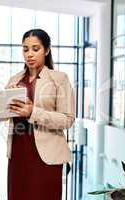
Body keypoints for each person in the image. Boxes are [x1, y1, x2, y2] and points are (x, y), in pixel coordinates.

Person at [5, 29, 75, 200]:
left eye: (35, 49)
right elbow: (5, 116)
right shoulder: (14, 79)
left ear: (47, 50)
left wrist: (33, 112)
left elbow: (67, 119)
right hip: (19, 153)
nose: (29, 54)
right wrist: (4, 104)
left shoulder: (59, 79)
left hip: (46, 156)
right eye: (25, 49)